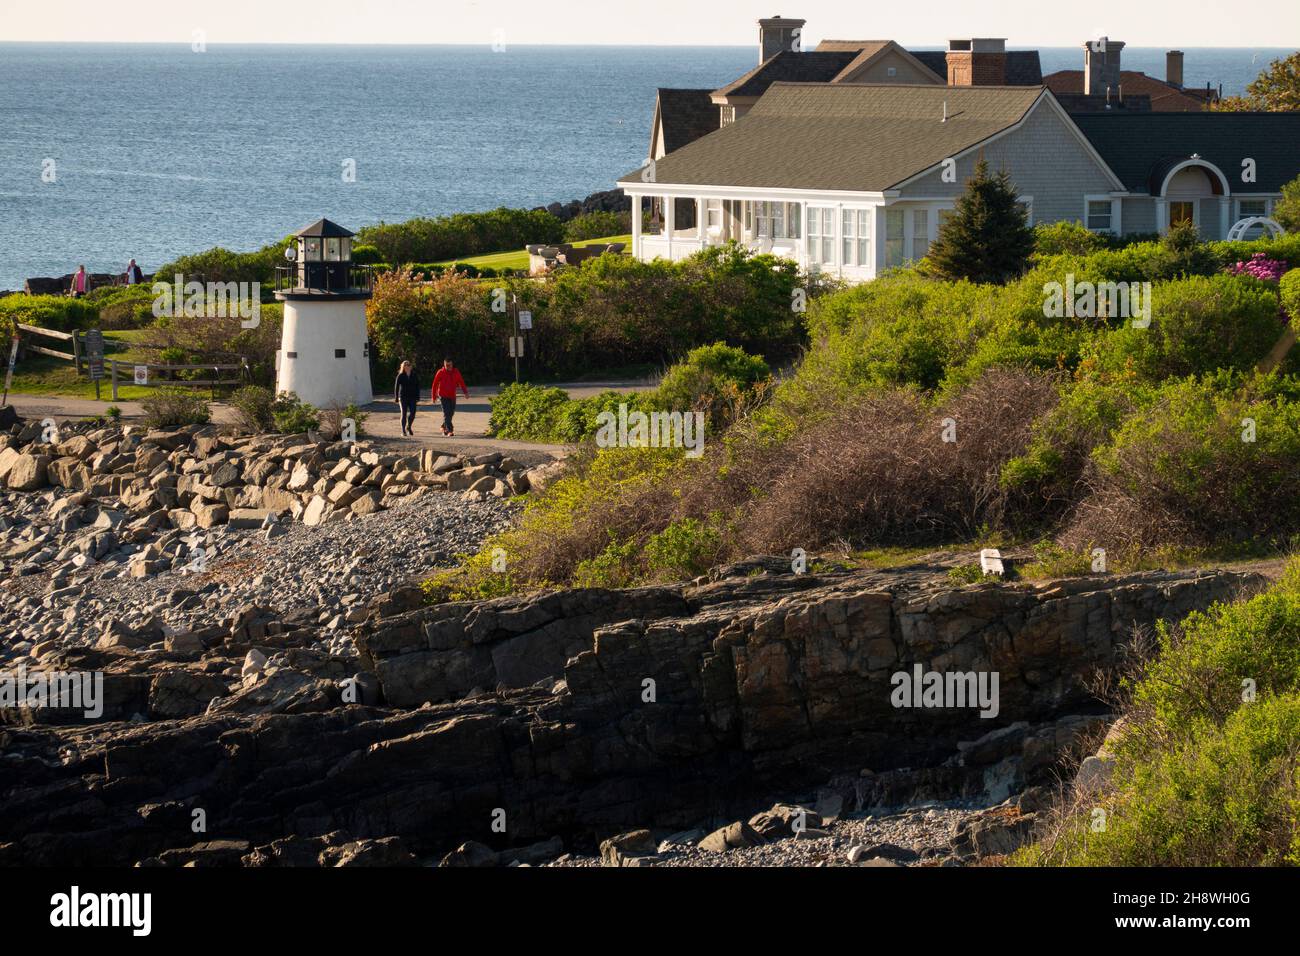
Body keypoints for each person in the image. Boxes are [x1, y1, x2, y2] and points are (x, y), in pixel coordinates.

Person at [431, 358, 469, 437]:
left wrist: (465, 392)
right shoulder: (440, 372)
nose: (448, 367)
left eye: (450, 365)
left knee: (451, 413)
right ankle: (450, 430)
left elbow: (461, 382)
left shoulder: (456, 372)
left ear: (452, 364)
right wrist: (433, 397)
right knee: (446, 413)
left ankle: (444, 426)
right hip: (443, 396)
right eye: (446, 365)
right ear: (444, 365)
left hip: (452, 396)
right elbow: (434, 384)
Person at [394, 360, 420, 436]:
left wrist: (418, 396)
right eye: (406, 365)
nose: (407, 366)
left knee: (413, 413)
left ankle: (408, 427)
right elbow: (396, 386)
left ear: (411, 367)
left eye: (409, 365)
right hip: (403, 397)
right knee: (404, 413)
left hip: (412, 397)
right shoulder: (400, 375)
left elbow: (417, 386)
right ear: (403, 367)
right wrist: (396, 397)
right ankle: (403, 431)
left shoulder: (414, 375)